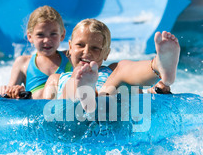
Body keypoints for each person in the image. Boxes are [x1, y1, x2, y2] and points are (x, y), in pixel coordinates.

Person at [42, 18, 179, 111]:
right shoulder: (56, 79)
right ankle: (85, 91)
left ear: (106, 53)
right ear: (70, 47)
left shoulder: (113, 71)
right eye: (80, 45)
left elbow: (140, 96)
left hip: (107, 108)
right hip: (72, 116)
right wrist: (22, 97)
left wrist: (155, 91)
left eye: (95, 48)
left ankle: (158, 66)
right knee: (72, 82)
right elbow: (41, 112)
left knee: (122, 68)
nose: (87, 52)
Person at [0, 6, 72, 99]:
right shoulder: (23, 63)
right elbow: (9, 96)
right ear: (30, 36)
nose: (47, 40)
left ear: (62, 35)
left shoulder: (71, 57)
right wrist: (12, 91)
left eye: (53, 34)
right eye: (40, 35)